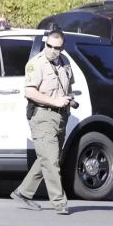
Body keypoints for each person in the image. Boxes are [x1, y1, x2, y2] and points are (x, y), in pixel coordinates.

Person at [11, 29, 72, 215]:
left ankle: (23, 192)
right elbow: (30, 92)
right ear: (45, 43)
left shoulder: (65, 62)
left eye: (57, 48)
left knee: (47, 157)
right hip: (42, 116)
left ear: (62, 48)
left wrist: (68, 99)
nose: (53, 50)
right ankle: (60, 202)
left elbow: (68, 86)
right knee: (51, 161)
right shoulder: (36, 64)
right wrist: (54, 101)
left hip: (61, 116)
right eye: (49, 46)